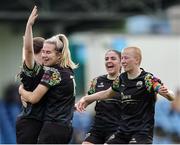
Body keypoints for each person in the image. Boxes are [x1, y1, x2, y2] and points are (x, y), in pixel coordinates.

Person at [76, 46, 175, 144]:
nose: (123, 61)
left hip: (141, 133)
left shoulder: (147, 79)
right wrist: (86, 98)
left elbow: (170, 95)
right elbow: (107, 93)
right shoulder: (121, 78)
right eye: (122, 58)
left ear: (137, 60)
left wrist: (167, 93)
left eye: (126, 58)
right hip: (122, 132)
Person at [19, 33, 78, 143]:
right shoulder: (69, 70)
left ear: (59, 55)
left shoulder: (53, 72)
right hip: (66, 127)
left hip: (52, 127)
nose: (44, 55)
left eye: (48, 52)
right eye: (43, 52)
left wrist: (21, 91)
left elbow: (33, 98)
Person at [16, 6, 46, 144]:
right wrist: (29, 26)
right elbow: (28, 51)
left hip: (44, 122)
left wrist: (21, 89)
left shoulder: (48, 70)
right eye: (45, 51)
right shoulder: (33, 68)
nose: (47, 55)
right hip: (30, 122)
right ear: (37, 53)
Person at [80, 49, 122, 144]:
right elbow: (87, 99)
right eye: (106, 59)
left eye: (113, 58)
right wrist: (78, 105)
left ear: (121, 63)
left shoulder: (125, 81)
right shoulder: (97, 81)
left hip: (117, 128)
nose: (109, 61)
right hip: (98, 128)